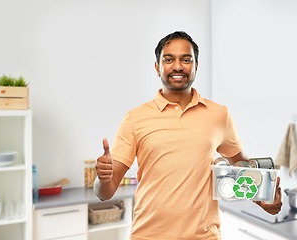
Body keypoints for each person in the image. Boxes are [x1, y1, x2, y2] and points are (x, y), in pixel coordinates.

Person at [94, 31, 282, 240]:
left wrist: (267, 199)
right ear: (157, 67)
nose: (177, 66)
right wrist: (103, 179)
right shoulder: (135, 119)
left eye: (186, 59)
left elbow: (244, 170)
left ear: (196, 65)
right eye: (168, 59)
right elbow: (105, 192)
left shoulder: (219, 114)